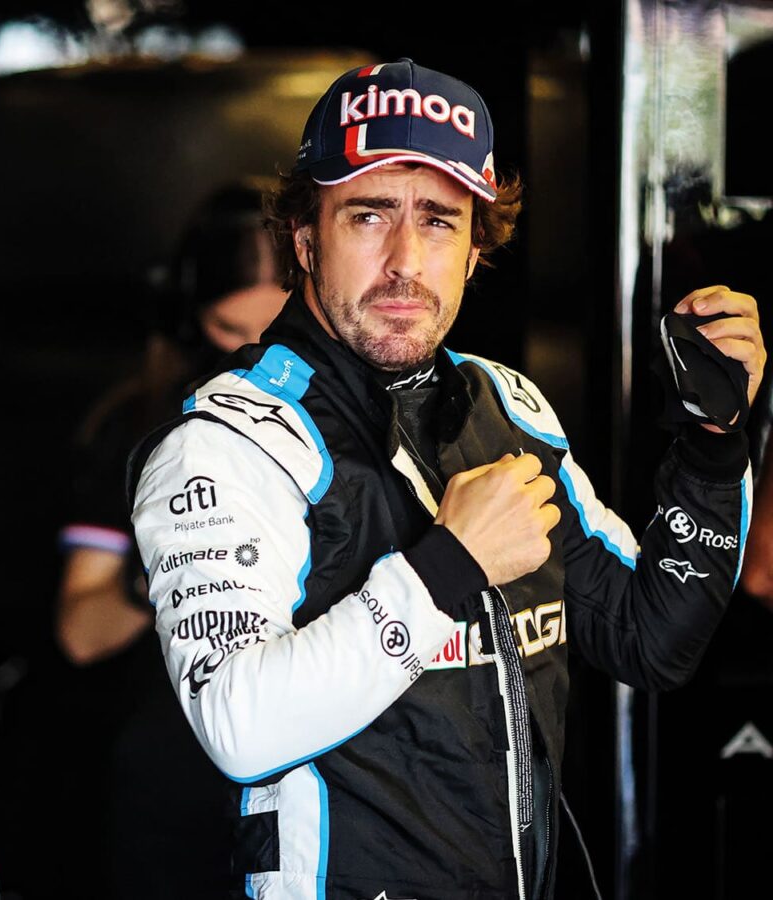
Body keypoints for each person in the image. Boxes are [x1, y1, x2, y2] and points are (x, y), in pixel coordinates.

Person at [128, 59, 763, 900]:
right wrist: (445, 568)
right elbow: (240, 726)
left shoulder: (508, 408)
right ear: (305, 237)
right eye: (368, 215)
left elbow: (652, 637)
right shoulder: (226, 444)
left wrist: (714, 445)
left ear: (474, 251)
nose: (404, 261)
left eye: (438, 220)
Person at [52, 186, 287, 898]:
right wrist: (178, 561)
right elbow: (79, 632)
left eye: (274, 323)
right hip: (176, 776)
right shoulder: (139, 430)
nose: (251, 351)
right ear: (189, 317)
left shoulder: (365, 423)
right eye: (228, 326)